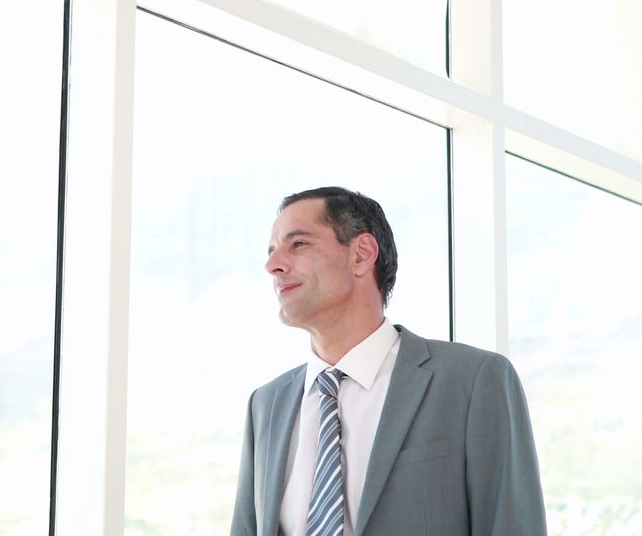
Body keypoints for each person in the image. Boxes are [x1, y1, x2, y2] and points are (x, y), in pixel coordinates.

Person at [230, 187, 546, 536]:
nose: (273, 265)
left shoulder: (472, 380)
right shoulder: (266, 405)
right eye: (272, 251)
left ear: (362, 254)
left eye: (298, 244)